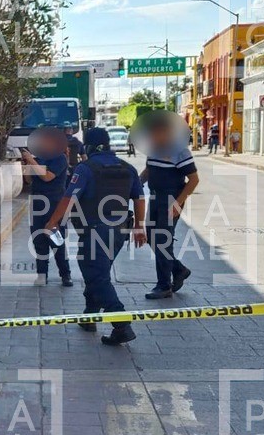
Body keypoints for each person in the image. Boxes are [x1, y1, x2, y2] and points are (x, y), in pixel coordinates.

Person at [46, 127, 147, 345]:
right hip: (121, 230)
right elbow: (139, 197)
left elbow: (68, 198)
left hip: (95, 230)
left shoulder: (85, 168)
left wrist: (52, 222)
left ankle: (122, 325)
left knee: (96, 274)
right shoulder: (127, 167)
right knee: (98, 271)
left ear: (89, 147)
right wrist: (140, 226)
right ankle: (89, 315)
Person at [137, 110, 200, 300]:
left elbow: (194, 180)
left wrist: (177, 203)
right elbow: (149, 170)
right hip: (155, 198)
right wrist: (136, 183)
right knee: (152, 238)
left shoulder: (179, 151)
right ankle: (178, 269)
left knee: (162, 241)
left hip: (171, 200)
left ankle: (164, 286)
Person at [20, 127, 73, 287]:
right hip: (37, 202)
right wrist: (26, 164)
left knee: (56, 239)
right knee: (39, 239)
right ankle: (42, 275)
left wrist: (31, 160)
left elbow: (47, 176)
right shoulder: (38, 158)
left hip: (55, 203)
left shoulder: (60, 158)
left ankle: (66, 275)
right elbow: (29, 180)